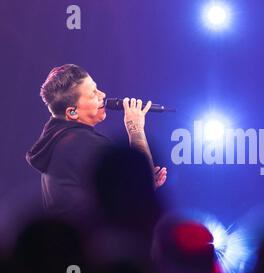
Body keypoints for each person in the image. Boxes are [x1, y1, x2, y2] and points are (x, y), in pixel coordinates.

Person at [26, 64, 167, 215]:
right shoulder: (84, 144)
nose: (103, 95)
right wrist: (135, 127)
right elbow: (140, 190)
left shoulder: (57, 141)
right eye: (93, 94)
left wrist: (144, 181)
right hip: (89, 238)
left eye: (97, 88)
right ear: (72, 112)